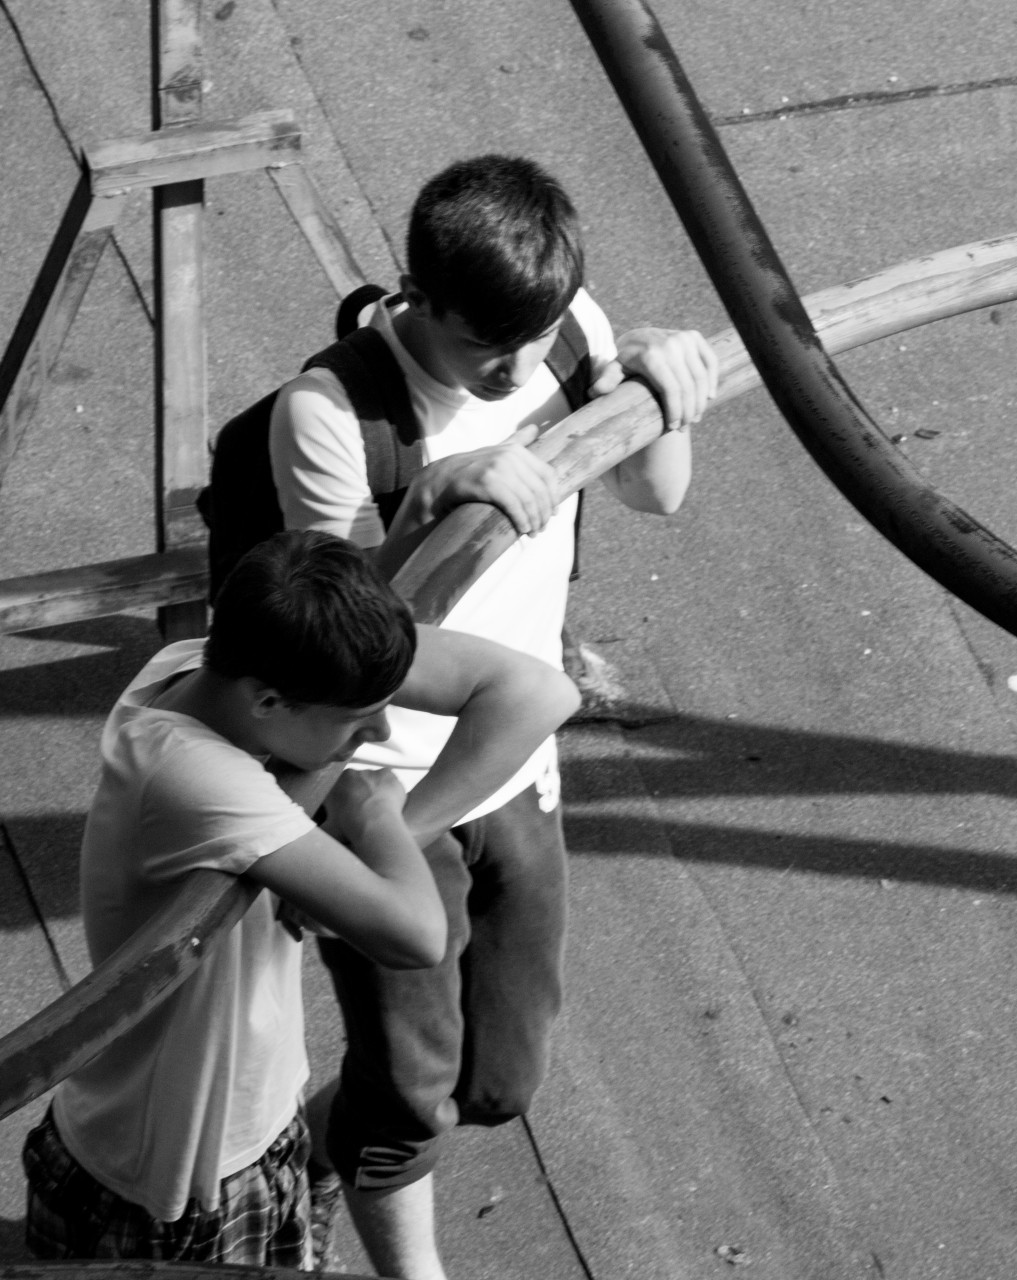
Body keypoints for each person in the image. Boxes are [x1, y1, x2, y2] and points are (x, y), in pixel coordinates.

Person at [269, 154, 719, 1279]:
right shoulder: (330, 413)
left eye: (537, 336)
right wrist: (431, 495)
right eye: (487, 350)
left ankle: (322, 1138)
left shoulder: (562, 332)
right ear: (417, 297)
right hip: (381, 787)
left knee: (495, 1082)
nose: (518, 369)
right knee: (415, 1094)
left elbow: (654, 492)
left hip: (512, 763)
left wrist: (659, 393)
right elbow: (337, 645)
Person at [22, 529, 580, 1269]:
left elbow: (544, 690)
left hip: (247, 1120)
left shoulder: (198, 665)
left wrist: (419, 512)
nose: (382, 732)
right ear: (271, 701)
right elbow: (417, 936)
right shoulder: (197, 780)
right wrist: (375, 811)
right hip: (175, 1173)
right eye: (358, 722)